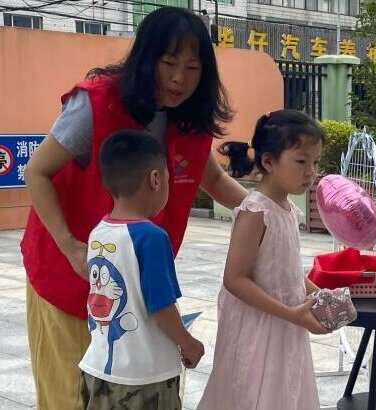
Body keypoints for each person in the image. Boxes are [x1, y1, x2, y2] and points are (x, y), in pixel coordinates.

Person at [21, 7, 246, 409]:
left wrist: (266, 210)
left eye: (192, 68)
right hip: (68, 273)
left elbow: (212, 180)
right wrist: (71, 247)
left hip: (132, 290)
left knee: (130, 391)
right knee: (68, 396)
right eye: (169, 63)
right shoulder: (96, 104)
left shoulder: (188, 121)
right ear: (146, 58)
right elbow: (37, 172)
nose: (179, 79)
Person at [198, 110, 329, 410]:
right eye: (301, 162)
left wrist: (317, 293)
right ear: (269, 162)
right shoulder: (255, 211)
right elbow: (234, 279)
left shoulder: (287, 210)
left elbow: (285, 271)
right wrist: (290, 313)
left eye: (316, 162)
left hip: (286, 323)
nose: (311, 172)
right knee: (254, 392)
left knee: (284, 390)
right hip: (257, 328)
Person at [80, 130, 204, 409]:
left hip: (97, 369)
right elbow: (161, 308)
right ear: (155, 179)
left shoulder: (98, 232)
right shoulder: (151, 237)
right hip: (144, 379)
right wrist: (188, 343)